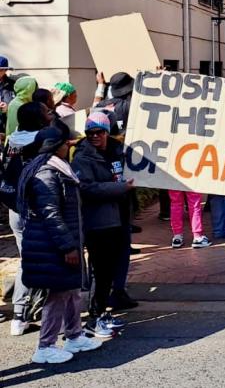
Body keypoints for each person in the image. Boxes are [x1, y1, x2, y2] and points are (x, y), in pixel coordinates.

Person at [19, 127, 102, 363]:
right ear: (56, 146)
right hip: (52, 245)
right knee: (57, 295)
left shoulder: (56, 168)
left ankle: (74, 335)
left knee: (71, 291)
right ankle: (45, 346)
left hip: (57, 241)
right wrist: (67, 246)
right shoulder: (46, 172)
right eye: (66, 143)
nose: (70, 147)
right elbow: (51, 213)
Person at [71, 112, 134, 337]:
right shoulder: (82, 158)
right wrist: (120, 189)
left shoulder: (118, 151)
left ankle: (102, 313)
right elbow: (86, 189)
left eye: (99, 132)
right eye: (90, 133)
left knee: (112, 269)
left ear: (107, 132)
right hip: (98, 223)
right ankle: (95, 316)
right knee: (101, 270)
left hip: (119, 219)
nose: (94, 136)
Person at [3, 102, 51, 336]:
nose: (50, 115)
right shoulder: (42, 139)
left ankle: (27, 309)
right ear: (39, 119)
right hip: (36, 209)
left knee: (27, 257)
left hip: (16, 208)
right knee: (32, 260)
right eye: (47, 113)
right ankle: (21, 315)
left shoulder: (12, 138)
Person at [0, 55, 17, 137]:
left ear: (5, 70)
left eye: (0, 70)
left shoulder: (13, 84)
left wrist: (8, 108)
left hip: (8, 126)